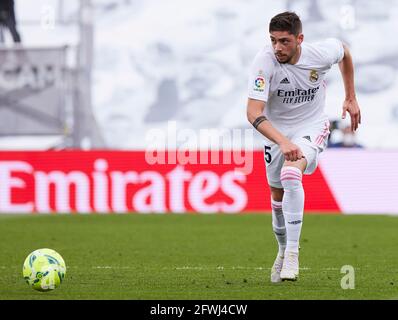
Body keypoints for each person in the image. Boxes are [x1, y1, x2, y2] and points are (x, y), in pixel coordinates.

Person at [246, 11, 361, 282]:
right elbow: (253, 112)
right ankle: (283, 250)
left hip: (311, 126)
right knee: (276, 199)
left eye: (284, 41)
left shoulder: (319, 54)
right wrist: (282, 141)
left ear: (300, 39)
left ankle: (294, 254)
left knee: (290, 175)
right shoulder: (264, 63)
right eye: (273, 40)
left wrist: (351, 97)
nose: (277, 48)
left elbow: (344, 51)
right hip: (277, 134)